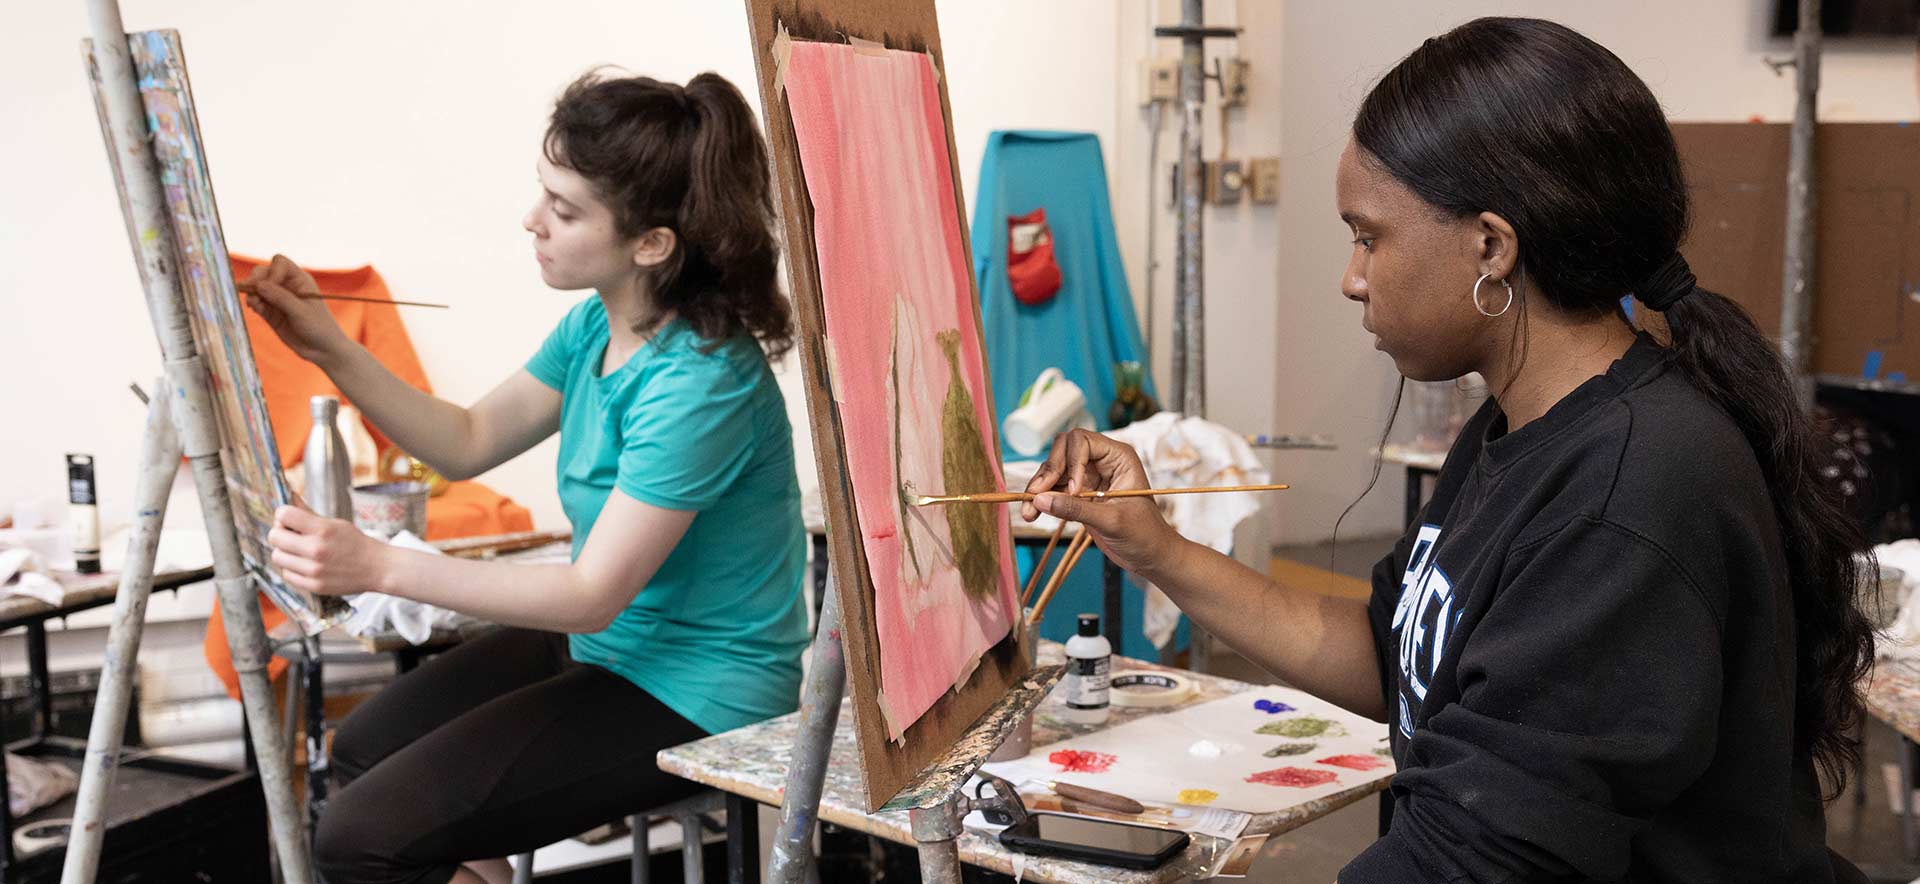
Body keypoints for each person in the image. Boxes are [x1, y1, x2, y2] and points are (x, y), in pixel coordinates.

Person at [1022, 18, 1873, 883]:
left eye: (1368, 235)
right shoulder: (1517, 429)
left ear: (1491, 247)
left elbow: (1477, 861)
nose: (1352, 277)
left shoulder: (1629, 494)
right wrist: (1153, 546)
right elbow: (1388, 655)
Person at [245, 70, 808, 884]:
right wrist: (328, 344)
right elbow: (467, 440)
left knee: (358, 840)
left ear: (652, 243)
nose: (531, 221)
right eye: (543, 193)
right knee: (360, 752)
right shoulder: (596, 322)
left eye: (565, 209)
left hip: (698, 687)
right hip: (610, 646)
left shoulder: (700, 379)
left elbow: (590, 592)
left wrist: (379, 565)